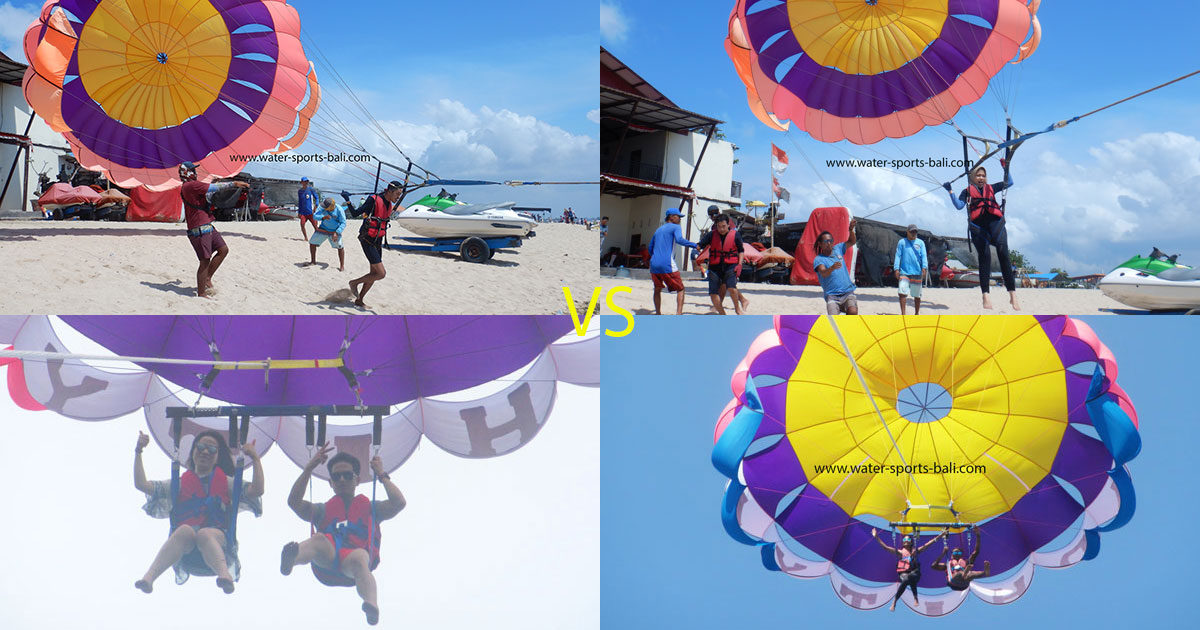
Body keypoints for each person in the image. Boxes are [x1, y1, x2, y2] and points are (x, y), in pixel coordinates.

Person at [280, 445, 406, 626]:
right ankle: (291, 560)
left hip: (353, 563)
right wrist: (309, 469)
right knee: (319, 539)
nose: (342, 480)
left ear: (357, 480)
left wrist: (381, 474)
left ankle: (371, 605)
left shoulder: (372, 508)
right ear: (330, 483)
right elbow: (294, 502)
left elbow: (399, 502)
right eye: (336, 477)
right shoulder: (322, 510)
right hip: (327, 559)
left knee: (361, 556)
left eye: (347, 475)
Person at [133, 430, 263, 594]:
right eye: (200, 447)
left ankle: (225, 576)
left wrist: (255, 458)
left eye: (212, 449)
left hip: (218, 544)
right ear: (193, 452)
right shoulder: (178, 484)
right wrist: (138, 450)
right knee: (185, 530)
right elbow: (141, 484)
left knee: (204, 534)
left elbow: (257, 490)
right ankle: (149, 578)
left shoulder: (227, 483)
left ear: (217, 457)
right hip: (187, 551)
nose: (205, 451)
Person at [944, 162, 1020, 310]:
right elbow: (959, 206)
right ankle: (985, 295)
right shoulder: (967, 191)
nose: (981, 178)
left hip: (995, 223)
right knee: (985, 257)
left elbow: (1009, 182)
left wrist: (1005, 167)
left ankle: (1012, 295)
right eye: (978, 175)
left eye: (983, 175)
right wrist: (950, 192)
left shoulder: (991, 188)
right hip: (979, 227)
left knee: (1003, 253)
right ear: (972, 177)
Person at [179, 162, 249, 298]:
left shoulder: (191, 187)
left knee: (223, 250)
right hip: (199, 228)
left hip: (207, 225)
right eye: (193, 170)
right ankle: (201, 293)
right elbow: (214, 188)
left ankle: (207, 278)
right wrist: (234, 184)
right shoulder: (190, 186)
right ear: (187, 172)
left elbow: (208, 195)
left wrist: (215, 183)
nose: (195, 172)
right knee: (204, 260)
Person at [349, 181, 403, 309]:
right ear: (389, 191)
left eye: (400, 195)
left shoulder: (388, 204)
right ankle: (354, 283)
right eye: (397, 194)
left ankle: (359, 300)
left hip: (378, 239)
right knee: (380, 274)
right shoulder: (373, 200)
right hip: (367, 239)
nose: (398, 197)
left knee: (374, 273)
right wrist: (347, 200)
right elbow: (355, 213)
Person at [873, 528, 947, 611]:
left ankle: (912, 598)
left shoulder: (915, 552)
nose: (906, 540)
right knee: (907, 579)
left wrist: (941, 535)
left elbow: (928, 544)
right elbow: (886, 547)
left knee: (911, 577)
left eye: (908, 539)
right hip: (904, 573)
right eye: (904, 539)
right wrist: (876, 536)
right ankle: (896, 601)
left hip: (915, 573)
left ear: (911, 542)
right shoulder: (901, 552)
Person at [648, 208, 698, 315]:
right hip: (667, 264)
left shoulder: (658, 230)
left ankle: (658, 313)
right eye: (678, 216)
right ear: (671, 217)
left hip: (653, 265)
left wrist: (656, 258)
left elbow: (650, 247)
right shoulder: (675, 227)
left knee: (657, 289)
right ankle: (678, 314)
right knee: (681, 289)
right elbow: (679, 240)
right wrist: (695, 245)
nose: (680, 218)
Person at [696, 213, 746, 315]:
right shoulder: (711, 235)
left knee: (732, 288)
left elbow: (741, 250)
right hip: (715, 267)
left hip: (730, 265)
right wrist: (693, 245)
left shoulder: (735, 235)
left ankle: (737, 309)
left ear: (728, 225)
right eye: (719, 227)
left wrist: (739, 264)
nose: (721, 229)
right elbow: (699, 245)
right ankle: (722, 314)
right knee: (713, 293)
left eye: (723, 226)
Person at [813, 219, 859, 315]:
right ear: (820, 244)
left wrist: (851, 229)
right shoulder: (819, 259)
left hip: (847, 291)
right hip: (832, 295)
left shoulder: (838, 248)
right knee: (833, 318)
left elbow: (852, 241)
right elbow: (824, 273)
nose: (829, 243)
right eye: (826, 241)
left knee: (853, 311)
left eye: (831, 241)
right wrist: (832, 268)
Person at [894, 224, 928, 315]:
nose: (913, 234)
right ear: (907, 232)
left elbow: (924, 256)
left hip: (917, 272)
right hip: (904, 272)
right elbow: (898, 255)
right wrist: (896, 268)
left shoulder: (920, 243)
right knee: (902, 292)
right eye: (912, 232)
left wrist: (924, 267)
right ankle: (903, 314)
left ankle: (916, 313)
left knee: (917, 294)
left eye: (915, 232)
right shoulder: (902, 242)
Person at [307, 197, 347, 271]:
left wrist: (337, 232)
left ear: (331, 206)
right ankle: (313, 261)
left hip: (334, 231)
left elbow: (343, 223)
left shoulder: (339, 210)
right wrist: (323, 217)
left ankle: (342, 266)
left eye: (326, 207)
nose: (324, 207)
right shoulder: (322, 207)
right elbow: (315, 216)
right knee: (312, 243)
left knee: (340, 247)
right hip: (323, 228)